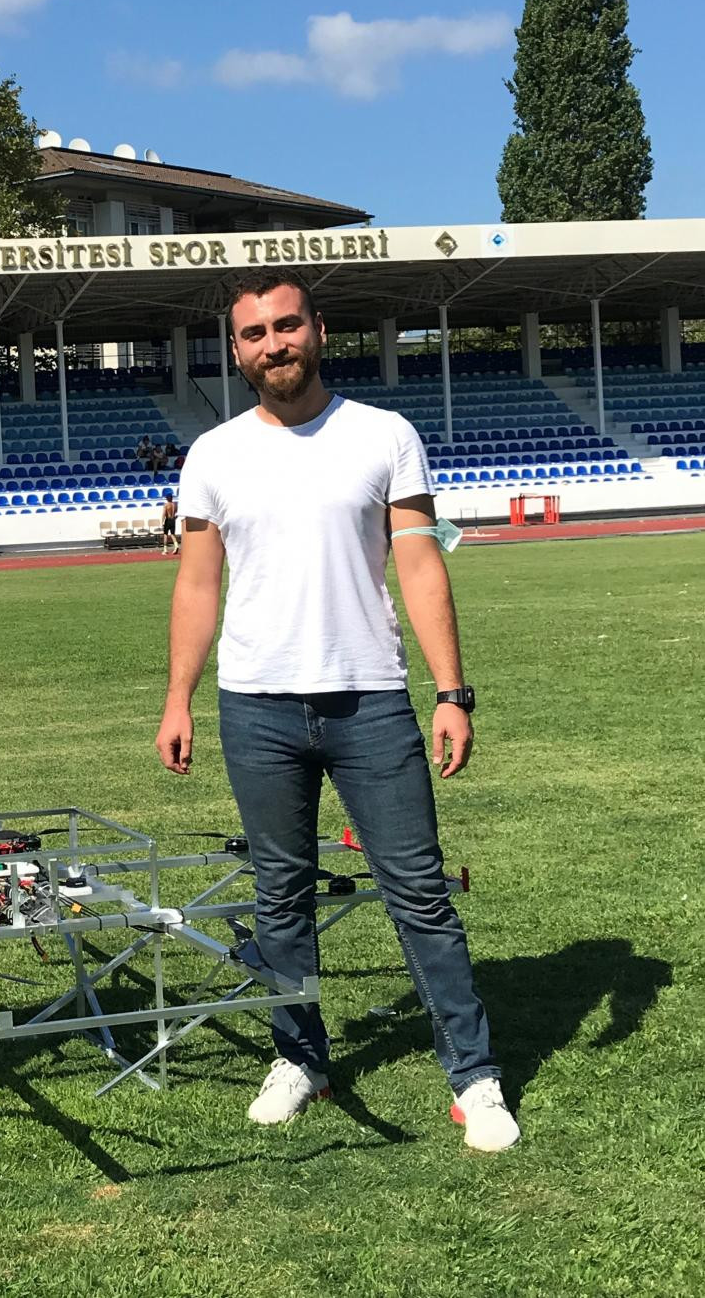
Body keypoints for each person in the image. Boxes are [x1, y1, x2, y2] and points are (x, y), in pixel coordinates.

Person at [153, 268, 518, 1153]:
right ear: (234, 349)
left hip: (370, 703)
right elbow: (198, 583)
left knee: (419, 895)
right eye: (253, 334)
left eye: (286, 325)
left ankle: (474, 1079)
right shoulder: (214, 453)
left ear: (318, 329)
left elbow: (422, 564)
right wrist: (178, 699)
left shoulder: (384, 435)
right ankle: (300, 1057)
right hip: (255, 708)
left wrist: (452, 691)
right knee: (280, 896)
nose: (272, 344)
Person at [159, 488, 179, 556]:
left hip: (168, 520)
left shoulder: (166, 505)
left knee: (165, 535)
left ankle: (165, 550)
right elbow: (177, 513)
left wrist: (162, 522)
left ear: (167, 498)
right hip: (173, 520)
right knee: (172, 534)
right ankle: (176, 545)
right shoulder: (175, 505)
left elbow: (164, 514)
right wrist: (175, 518)